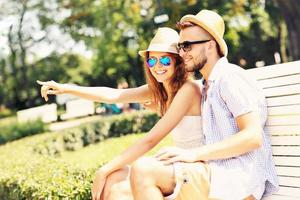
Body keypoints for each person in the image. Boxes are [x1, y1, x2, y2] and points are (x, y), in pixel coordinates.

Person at [37, 27, 206, 200]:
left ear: (178, 62)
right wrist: (65, 88)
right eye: (152, 61)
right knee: (114, 179)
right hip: (180, 165)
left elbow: (150, 140)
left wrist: (104, 169)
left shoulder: (189, 89)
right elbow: (112, 95)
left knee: (116, 172)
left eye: (164, 60)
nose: (157, 66)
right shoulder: (161, 90)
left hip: (198, 168)